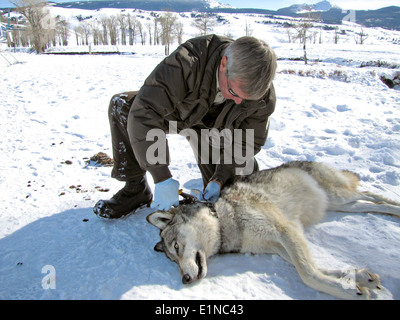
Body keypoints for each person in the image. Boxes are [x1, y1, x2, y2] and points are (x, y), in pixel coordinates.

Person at [93, 34, 277, 219]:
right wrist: (162, 177)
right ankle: (135, 189)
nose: (238, 101)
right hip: (177, 115)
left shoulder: (261, 95)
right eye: (232, 91)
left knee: (230, 202)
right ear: (223, 64)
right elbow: (146, 111)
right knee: (123, 106)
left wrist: (221, 178)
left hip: (217, 132)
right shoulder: (188, 61)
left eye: (245, 99)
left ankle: (228, 181)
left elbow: (245, 144)